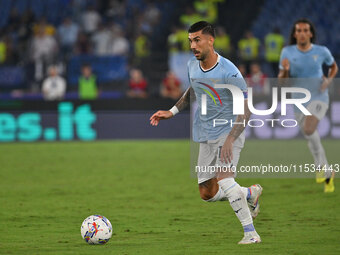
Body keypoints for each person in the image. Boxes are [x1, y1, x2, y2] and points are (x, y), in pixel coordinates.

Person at [150, 21, 262, 244]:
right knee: (207, 193)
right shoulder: (193, 65)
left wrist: (231, 138)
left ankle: (251, 234)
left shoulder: (229, 72)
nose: (193, 45)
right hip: (205, 134)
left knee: (224, 177)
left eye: (197, 40)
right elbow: (194, 89)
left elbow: (246, 109)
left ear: (211, 40)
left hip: (229, 130)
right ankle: (249, 193)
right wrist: (172, 111)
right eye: (190, 40)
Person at [278, 18, 338, 193]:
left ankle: (320, 168)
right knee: (309, 135)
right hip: (298, 101)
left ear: (310, 33)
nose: (302, 33)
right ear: (295, 34)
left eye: (305, 30)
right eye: (299, 30)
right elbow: (282, 83)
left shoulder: (321, 51)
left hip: (319, 97)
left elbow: (333, 67)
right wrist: (286, 70)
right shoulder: (287, 52)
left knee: (310, 129)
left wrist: (328, 80)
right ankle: (327, 172)